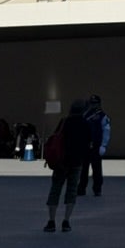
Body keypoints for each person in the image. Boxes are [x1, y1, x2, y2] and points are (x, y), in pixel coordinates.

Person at [43, 98, 94, 232]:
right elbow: (89, 143)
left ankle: (51, 221)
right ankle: (66, 221)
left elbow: (55, 137)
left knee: (55, 189)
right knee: (71, 191)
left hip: (61, 161)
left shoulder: (64, 122)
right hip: (76, 162)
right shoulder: (86, 124)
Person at [78, 96, 109, 198]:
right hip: (85, 146)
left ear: (99, 104)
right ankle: (81, 188)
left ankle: (97, 189)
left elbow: (106, 131)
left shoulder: (102, 116)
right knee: (83, 169)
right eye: (92, 103)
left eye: (95, 103)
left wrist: (103, 145)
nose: (93, 105)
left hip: (96, 146)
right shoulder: (84, 115)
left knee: (97, 169)